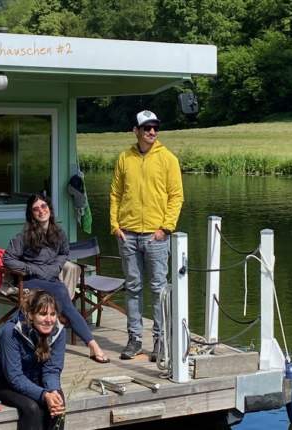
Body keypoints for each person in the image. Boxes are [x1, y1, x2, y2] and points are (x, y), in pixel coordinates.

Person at [108, 109, 183, 361]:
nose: (152, 132)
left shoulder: (168, 159)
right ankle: (135, 339)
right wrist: (114, 225)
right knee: (133, 288)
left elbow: (176, 197)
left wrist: (165, 228)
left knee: (159, 288)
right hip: (127, 234)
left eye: (155, 128)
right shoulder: (124, 158)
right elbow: (115, 194)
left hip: (156, 236)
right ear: (136, 131)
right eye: (147, 128)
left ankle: (161, 341)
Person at [3, 193, 112, 363]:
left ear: (49, 209)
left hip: (52, 280)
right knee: (63, 296)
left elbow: (64, 253)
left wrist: (56, 267)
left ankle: (88, 343)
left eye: (44, 206)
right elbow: (8, 259)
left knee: (62, 296)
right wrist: (31, 268)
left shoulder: (59, 233)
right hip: (32, 280)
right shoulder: (25, 236)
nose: (41, 211)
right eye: (36, 209)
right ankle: (93, 346)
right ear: (31, 214)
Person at [0, 290, 67, 430]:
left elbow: (52, 369)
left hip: (36, 378)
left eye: (52, 314)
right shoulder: (10, 332)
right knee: (32, 408)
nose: (49, 320)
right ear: (30, 315)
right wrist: (43, 395)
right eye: (42, 314)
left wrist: (52, 390)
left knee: (58, 401)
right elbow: (15, 377)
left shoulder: (59, 331)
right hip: (4, 382)